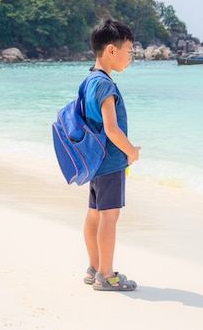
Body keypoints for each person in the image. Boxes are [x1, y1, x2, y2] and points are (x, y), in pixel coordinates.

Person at [81, 18, 141, 291]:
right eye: (129, 50)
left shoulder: (89, 80)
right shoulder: (106, 85)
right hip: (110, 162)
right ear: (111, 50)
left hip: (94, 162)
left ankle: (94, 267)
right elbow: (111, 128)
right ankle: (106, 274)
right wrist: (131, 152)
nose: (131, 56)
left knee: (94, 214)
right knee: (110, 216)